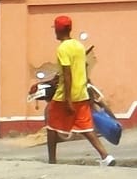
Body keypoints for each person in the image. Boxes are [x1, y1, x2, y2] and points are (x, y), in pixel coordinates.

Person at [45, 14, 113, 165]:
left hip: (65, 95)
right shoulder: (78, 46)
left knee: (51, 125)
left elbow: (68, 74)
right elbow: (80, 69)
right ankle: (106, 156)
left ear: (58, 30)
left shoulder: (62, 48)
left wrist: (68, 99)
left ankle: (51, 160)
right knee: (86, 128)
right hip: (81, 92)